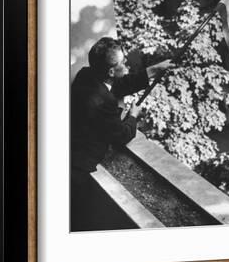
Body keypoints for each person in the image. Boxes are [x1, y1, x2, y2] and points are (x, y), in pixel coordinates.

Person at [70, 36, 172, 231]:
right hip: (78, 170)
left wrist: (156, 69)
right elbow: (122, 135)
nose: (127, 64)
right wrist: (133, 116)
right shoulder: (102, 103)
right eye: (123, 62)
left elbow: (120, 84)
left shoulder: (87, 75)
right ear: (110, 71)